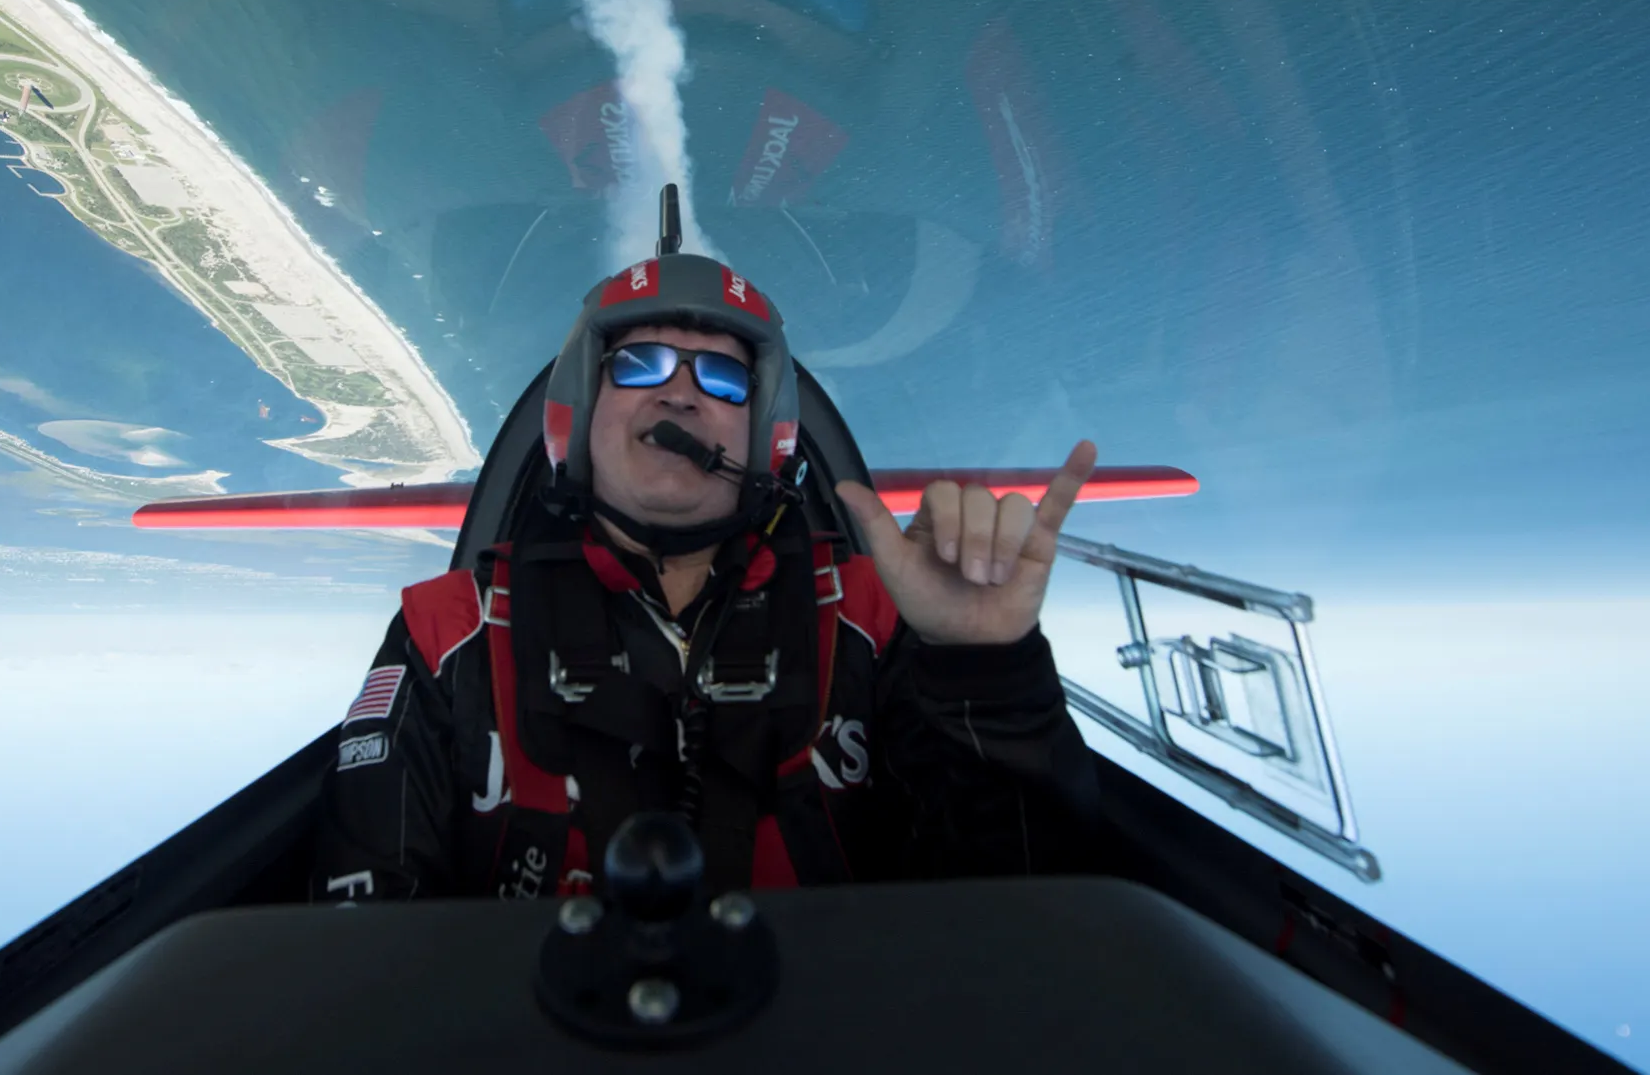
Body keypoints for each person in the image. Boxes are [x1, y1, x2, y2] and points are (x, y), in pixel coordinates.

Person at [311, 249, 1108, 901]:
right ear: (581, 408)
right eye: (640, 363)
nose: (681, 392)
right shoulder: (450, 629)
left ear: (765, 429)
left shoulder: (880, 614)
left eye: (723, 379)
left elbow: (1020, 919)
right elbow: (361, 947)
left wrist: (986, 670)